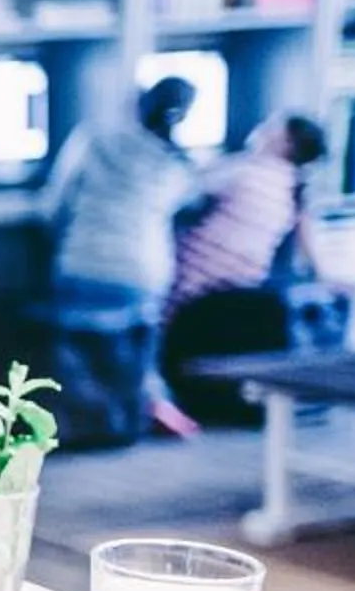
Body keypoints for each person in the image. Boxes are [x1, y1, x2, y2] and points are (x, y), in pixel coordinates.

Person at [46, 75, 203, 437]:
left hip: (82, 264)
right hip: (144, 272)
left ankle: (84, 421)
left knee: (76, 343)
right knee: (139, 347)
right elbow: (189, 207)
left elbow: (54, 206)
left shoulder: (93, 140)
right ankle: (146, 403)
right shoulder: (178, 166)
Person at [170, 113, 328, 313]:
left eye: (271, 126)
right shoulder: (293, 193)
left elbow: (182, 193)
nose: (261, 127)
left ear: (285, 143)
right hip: (240, 294)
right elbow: (314, 258)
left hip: (192, 287)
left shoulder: (243, 171)